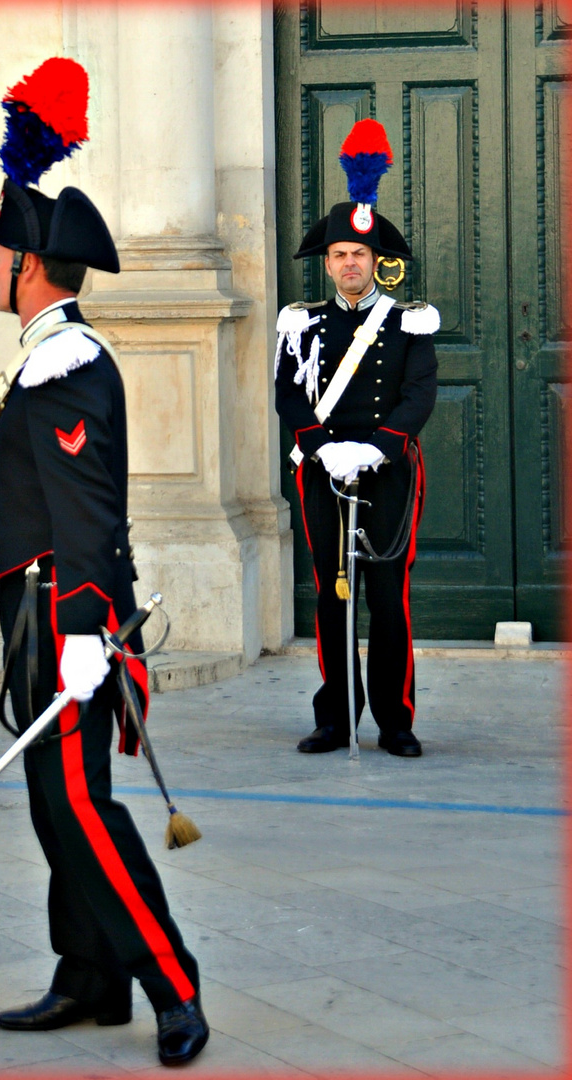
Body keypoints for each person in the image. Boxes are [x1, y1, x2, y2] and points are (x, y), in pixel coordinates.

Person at [0, 59, 208, 1067]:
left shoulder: (64, 363)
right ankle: (89, 974)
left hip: (64, 624)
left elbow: (82, 516)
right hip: (41, 621)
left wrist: (81, 639)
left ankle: (171, 982)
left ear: (31, 266)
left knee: (79, 805)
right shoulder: (42, 353)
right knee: (49, 801)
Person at [275, 120, 439, 758]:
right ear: (328, 263)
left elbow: (418, 393)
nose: (350, 264)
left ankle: (395, 722)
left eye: (360, 255)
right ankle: (336, 718)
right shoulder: (302, 324)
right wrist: (322, 447)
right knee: (331, 593)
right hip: (322, 472)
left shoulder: (408, 323)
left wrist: (379, 446)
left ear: (377, 263)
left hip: (389, 472)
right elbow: (289, 394)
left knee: (388, 599)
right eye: (340, 254)